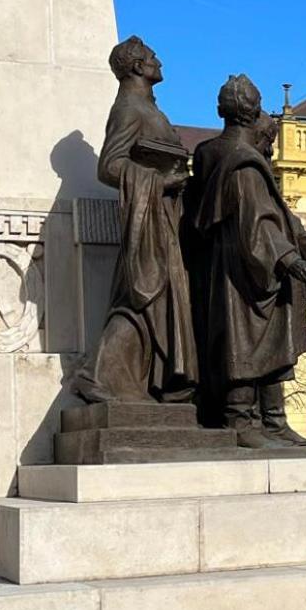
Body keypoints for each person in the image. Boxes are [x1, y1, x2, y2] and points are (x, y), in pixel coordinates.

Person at [186, 75, 306, 448]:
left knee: (260, 339)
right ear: (253, 112)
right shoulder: (243, 162)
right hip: (248, 268)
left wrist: (303, 246)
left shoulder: (207, 152)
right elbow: (257, 222)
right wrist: (291, 260)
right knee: (249, 339)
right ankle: (243, 421)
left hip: (222, 264)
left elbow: (270, 214)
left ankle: (273, 420)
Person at [73, 38, 197, 404]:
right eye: (152, 56)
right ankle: (95, 375)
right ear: (137, 66)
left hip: (164, 215)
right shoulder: (129, 107)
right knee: (145, 293)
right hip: (149, 218)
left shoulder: (145, 106)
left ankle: (132, 381)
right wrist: (161, 181)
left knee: (155, 298)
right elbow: (109, 166)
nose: (159, 60)